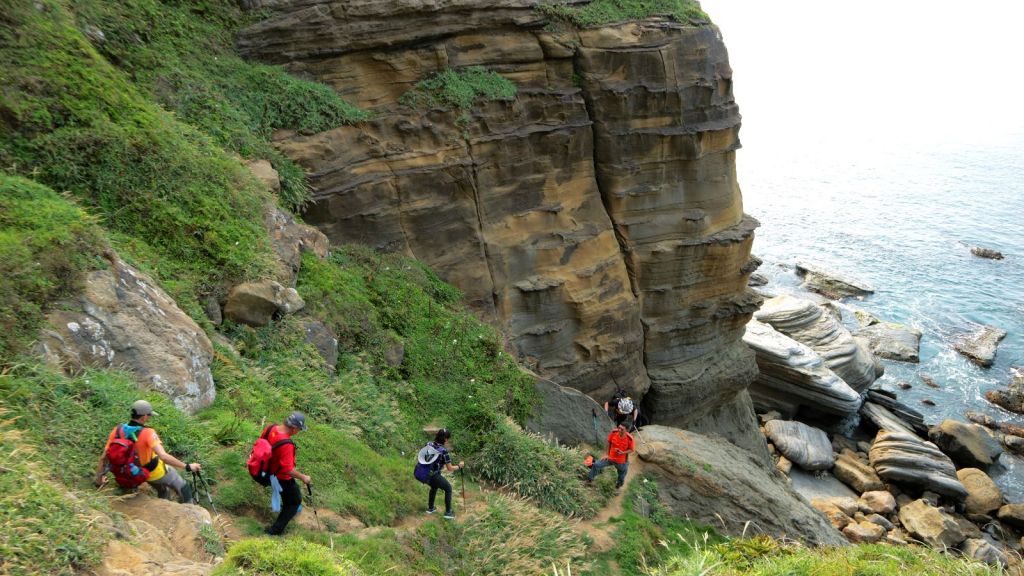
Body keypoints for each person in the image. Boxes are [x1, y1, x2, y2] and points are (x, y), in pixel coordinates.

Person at [94, 399, 200, 503]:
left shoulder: (117, 430)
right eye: (149, 415)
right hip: (153, 472)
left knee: (162, 489)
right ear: (144, 417)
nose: (149, 417)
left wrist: (99, 482)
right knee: (183, 487)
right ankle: (192, 512)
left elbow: (103, 458)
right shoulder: (148, 432)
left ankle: (164, 503)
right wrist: (187, 466)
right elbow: (163, 456)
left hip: (130, 473)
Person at [263, 411, 313, 535]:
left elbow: (262, 443)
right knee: (294, 501)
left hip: (266, 469)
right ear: (294, 428)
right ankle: (274, 532)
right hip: (280, 476)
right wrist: (304, 477)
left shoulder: (270, 428)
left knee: (290, 494)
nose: (299, 432)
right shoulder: (286, 444)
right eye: (300, 429)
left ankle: (291, 506)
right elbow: (287, 470)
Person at [422, 428, 464, 520]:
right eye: (447, 438)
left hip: (424, 473)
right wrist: (459, 466)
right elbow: (450, 468)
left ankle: (431, 508)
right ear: (445, 439)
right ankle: (448, 513)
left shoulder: (428, 444)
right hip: (434, 475)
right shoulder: (443, 451)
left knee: (434, 487)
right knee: (448, 488)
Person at [587, 422, 635, 493]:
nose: (619, 430)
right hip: (610, 458)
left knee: (621, 475)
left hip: (621, 462)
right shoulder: (613, 433)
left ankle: (617, 487)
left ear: (627, 430)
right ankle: (589, 480)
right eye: (619, 428)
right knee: (597, 464)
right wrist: (607, 454)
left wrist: (623, 452)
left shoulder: (630, 439)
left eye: (622, 429)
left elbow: (631, 449)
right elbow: (609, 443)